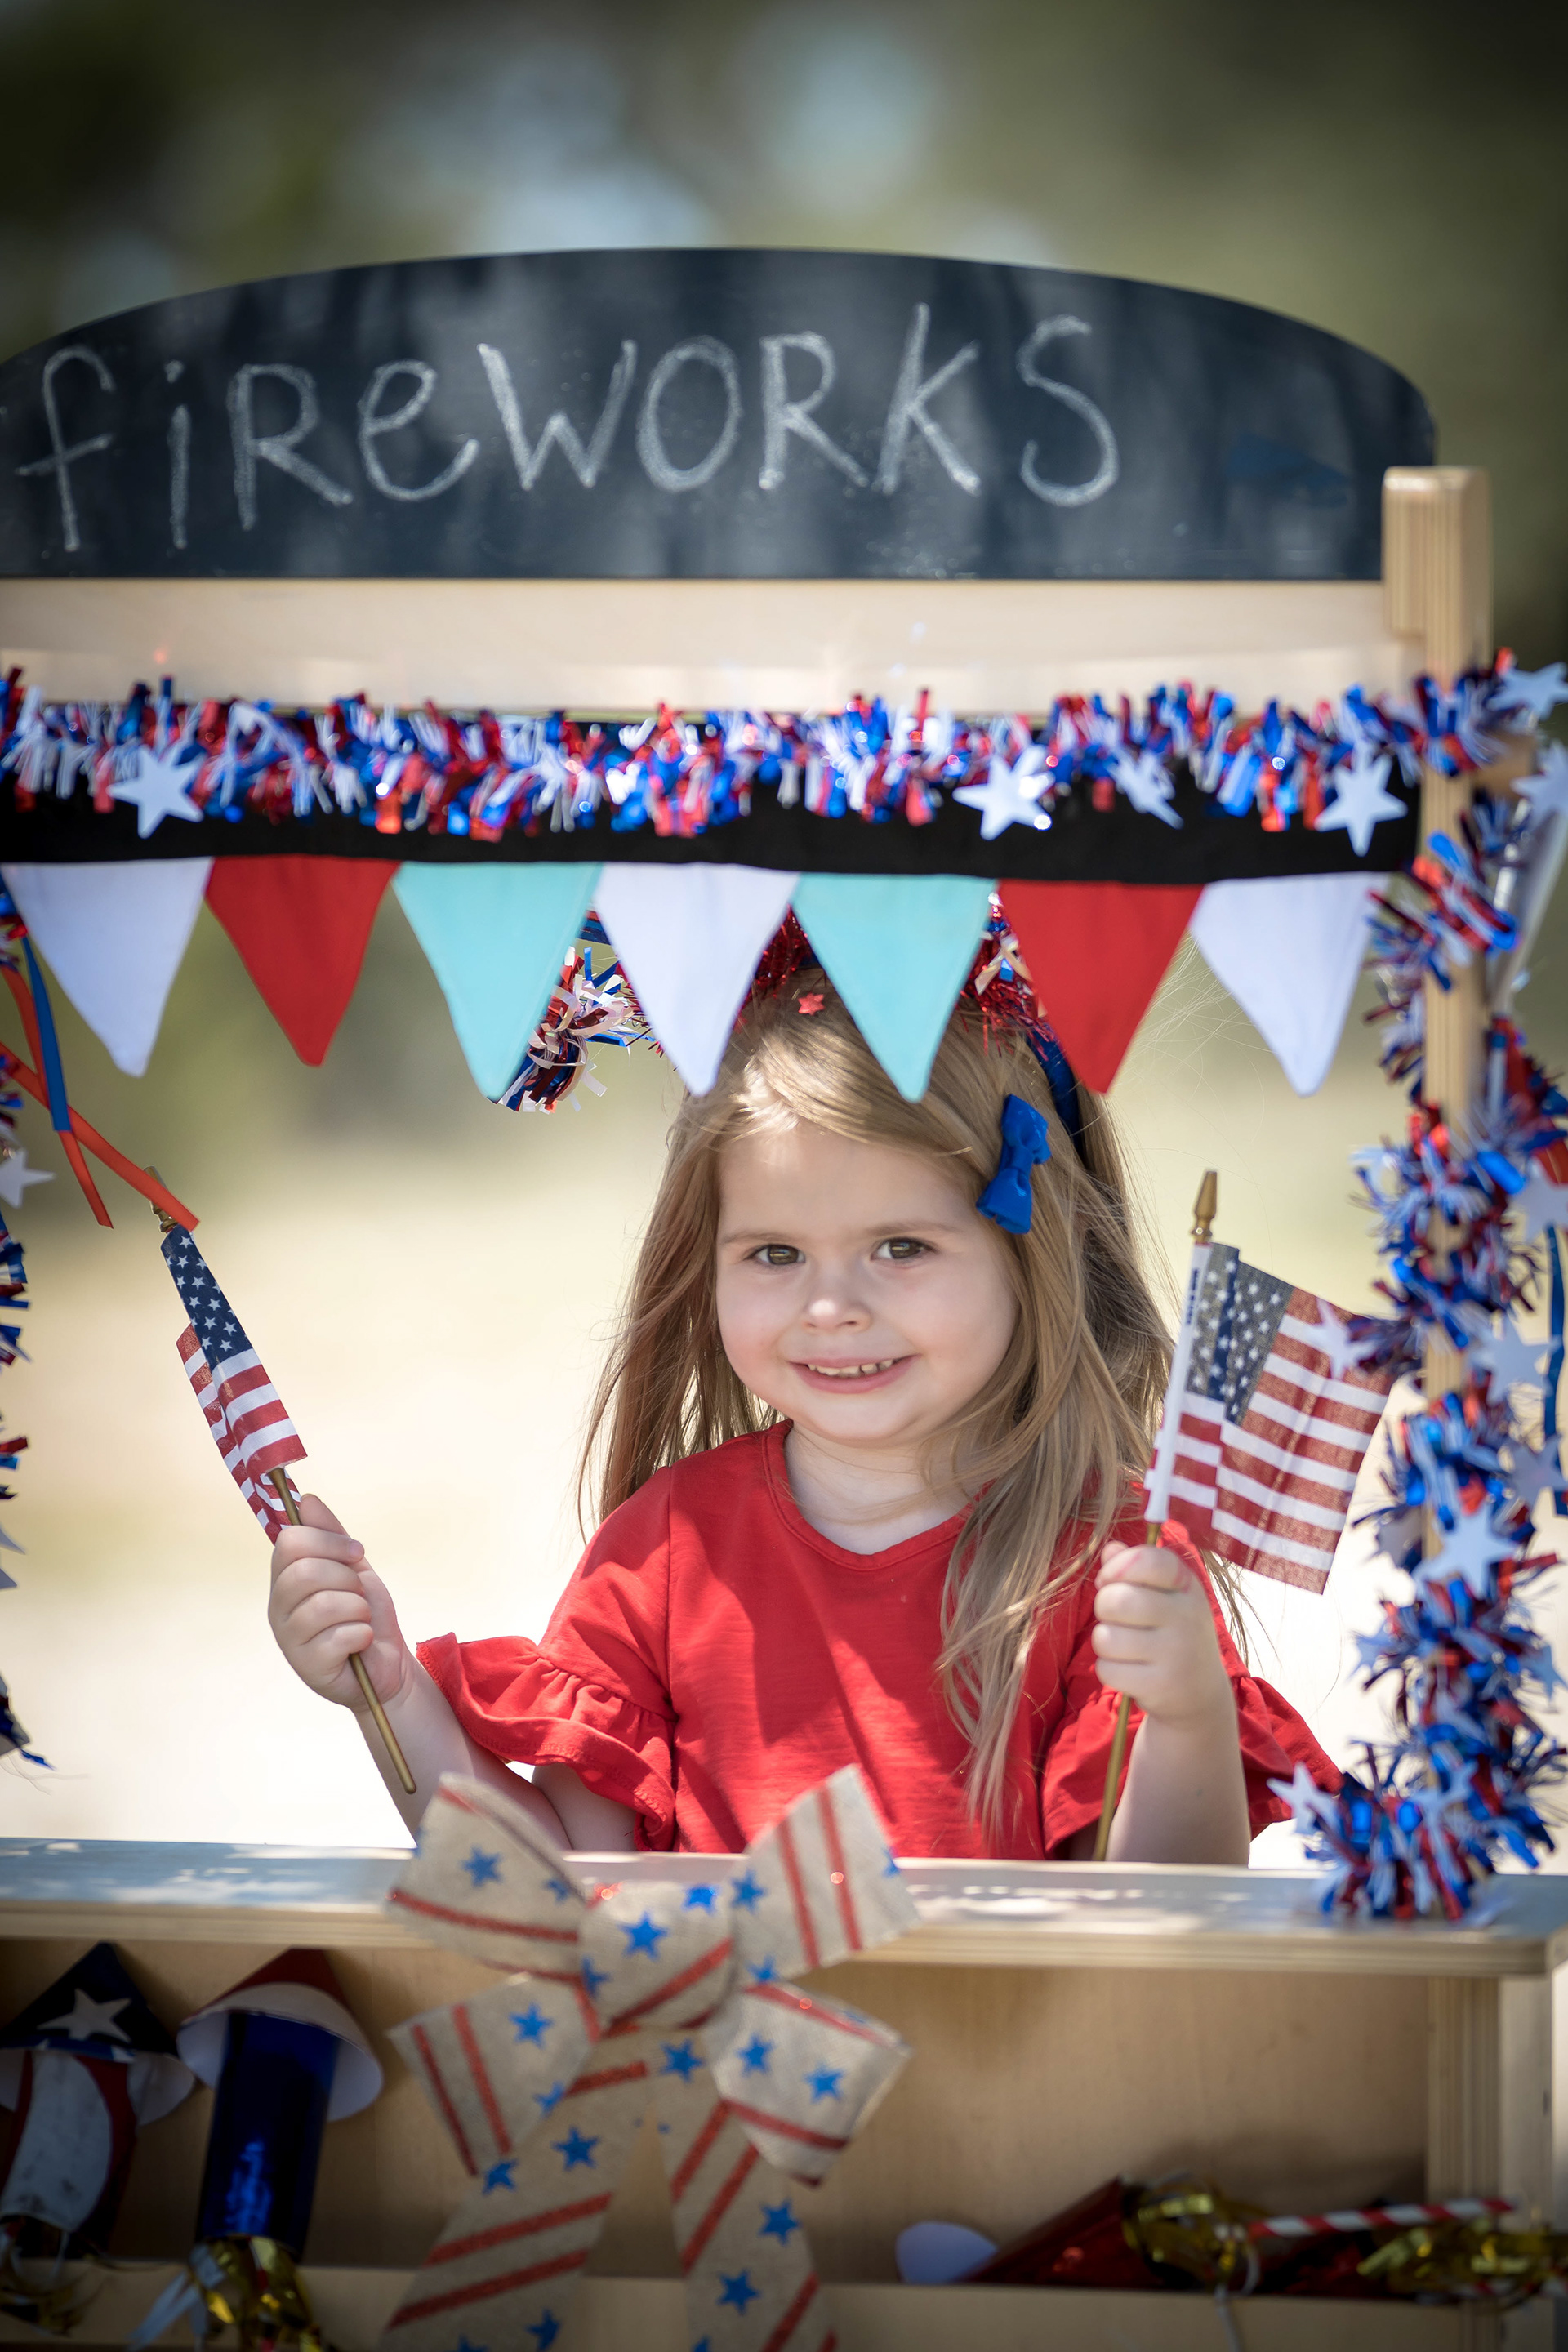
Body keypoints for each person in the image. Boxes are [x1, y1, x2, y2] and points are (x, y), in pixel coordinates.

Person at [268, 929, 1331, 1860]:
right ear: (706, 1260)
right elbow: (563, 1880)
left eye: (901, 1247)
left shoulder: (1112, 1557)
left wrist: (1187, 1715)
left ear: (1030, 1253)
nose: (831, 1307)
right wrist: (393, 1697)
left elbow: (1170, 1913)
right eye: (775, 1253)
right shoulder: (663, 1555)